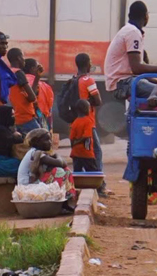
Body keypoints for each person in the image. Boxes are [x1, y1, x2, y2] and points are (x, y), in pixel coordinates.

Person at [105, 1, 157, 100]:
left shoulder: (129, 30)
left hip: (124, 81)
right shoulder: (133, 32)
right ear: (146, 16)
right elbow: (137, 68)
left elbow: (138, 70)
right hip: (123, 83)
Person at [74, 53, 109, 195]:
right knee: (96, 152)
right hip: (88, 121)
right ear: (87, 64)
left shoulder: (74, 80)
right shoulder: (88, 80)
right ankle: (99, 186)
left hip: (76, 120)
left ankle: (79, 184)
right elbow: (98, 100)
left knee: (78, 151)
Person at [18, 128, 77, 212]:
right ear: (37, 142)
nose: (50, 142)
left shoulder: (36, 152)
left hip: (31, 184)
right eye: (46, 140)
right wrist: (57, 155)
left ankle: (66, 201)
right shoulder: (37, 153)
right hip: (27, 187)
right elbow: (60, 163)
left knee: (65, 170)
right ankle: (63, 203)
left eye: (50, 139)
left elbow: (62, 164)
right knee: (58, 171)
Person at [6, 47, 41, 134]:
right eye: (23, 57)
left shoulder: (9, 72)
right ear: (18, 58)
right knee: (41, 140)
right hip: (26, 117)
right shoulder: (19, 73)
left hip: (16, 118)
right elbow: (32, 97)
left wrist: (37, 78)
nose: (24, 60)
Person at [69, 98, 99, 172]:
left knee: (77, 172)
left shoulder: (75, 122)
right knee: (93, 171)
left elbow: (72, 138)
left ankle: (79, 183)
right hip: (86, 152)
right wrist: (77, 142)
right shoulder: (88, 121)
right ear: (85, 109)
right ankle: (99, 183)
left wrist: (74, 144)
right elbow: (86, 136)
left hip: (76, 153)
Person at [24, 58, 54, 129]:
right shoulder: (43, 86)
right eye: (38, 67)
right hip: (37, 118)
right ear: (32, 69)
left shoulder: (17, 81)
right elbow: (49, 106)